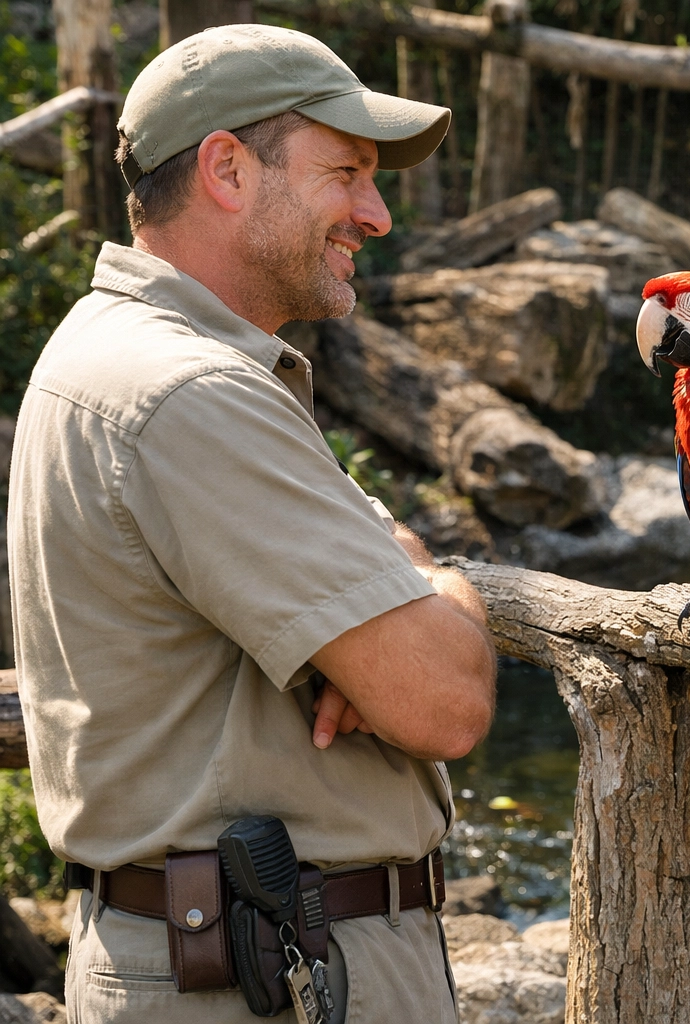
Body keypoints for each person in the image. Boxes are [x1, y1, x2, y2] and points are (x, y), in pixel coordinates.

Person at [10, 25, 496, 1024]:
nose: (378, 212)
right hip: (262, 980)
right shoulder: (191, 393)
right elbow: (445, 698)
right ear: (227, 167)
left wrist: (374, 629)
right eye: (346, 172)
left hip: (237, 957)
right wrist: (438, 588)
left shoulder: (109, 352)